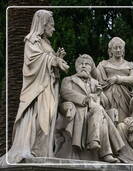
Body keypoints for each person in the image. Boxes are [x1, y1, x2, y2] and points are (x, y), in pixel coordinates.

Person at [0, 9, 69, 165]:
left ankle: (44, 150)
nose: (54, 28)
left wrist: (57, 59)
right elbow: (33, 62)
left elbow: (47, 61)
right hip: (37, 91)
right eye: (51, 25)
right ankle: (34, 149)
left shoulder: (46, 43)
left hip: (49, 88)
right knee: (40, 118)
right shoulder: (32, 40)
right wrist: (53, 60)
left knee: (50, 117)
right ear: (43, 24)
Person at [56, 54, 124, 163]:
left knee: (100, 113)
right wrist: (85, 99)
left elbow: (106, 104)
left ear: (91, 67)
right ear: (76, 66)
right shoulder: (69, 80)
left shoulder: (95, 83)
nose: (83, 66)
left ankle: (95, 142)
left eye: (86, 64)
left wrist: (100, 93)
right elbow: (65, 93)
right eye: (80, 64)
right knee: (100, 112)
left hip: (94, 114)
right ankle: (105, 152)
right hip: (79, 111)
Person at [97, 37, 133, 122]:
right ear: (110, 50)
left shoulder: (129, 64)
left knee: (123, 122)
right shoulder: (103, 64)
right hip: (108, 96)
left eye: (120, 47)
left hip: (125, 97)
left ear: (123, 50)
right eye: (115, 48)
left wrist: (118, 79)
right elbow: (96, 80)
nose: (118, 50)